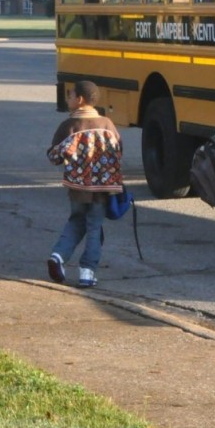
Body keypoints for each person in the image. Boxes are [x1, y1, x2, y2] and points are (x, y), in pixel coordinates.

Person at [46, 80, 123, 289]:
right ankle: (87, 272)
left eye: (70, 95)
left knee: (76, 220)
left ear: (79, 100)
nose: (68, 99)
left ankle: (58, 255)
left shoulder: (69, 126)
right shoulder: (107, 124)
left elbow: (54, 156)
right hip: (101, 188)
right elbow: (119, 149)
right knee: (94, 228)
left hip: (77, 188)